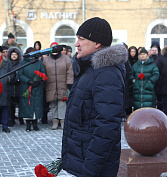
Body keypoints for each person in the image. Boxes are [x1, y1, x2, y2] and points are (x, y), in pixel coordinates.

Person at [62, 17, 128, 177]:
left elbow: (106, 127)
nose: (76, 44)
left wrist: (90, 170)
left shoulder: (107, 74)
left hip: (94, 167)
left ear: (97, 43)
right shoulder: (89, 69)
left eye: (81, 39)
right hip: (82, 160)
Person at [43, 43, 74, 130]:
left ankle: (63, 121)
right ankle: (55, 121)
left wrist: (69, 83)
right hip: (50, 85)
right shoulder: (46, 60)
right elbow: (43, 72)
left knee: (62, 104)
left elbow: (70, 72)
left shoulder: (65, 59)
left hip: (63, 85)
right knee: (53, 104)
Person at [18, 47, 46, 131]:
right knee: (27, 105)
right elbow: (20, 74)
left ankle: (35, 123)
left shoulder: (39, 63)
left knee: (36, 105)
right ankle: (28, 124)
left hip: (37, 87)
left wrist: (38, 80)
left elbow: (43, 73)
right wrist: (28, 81)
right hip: (26, 87)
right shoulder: (23, 63)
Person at [7, 47, 24, 126]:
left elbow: (22, 74)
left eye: (15, 54)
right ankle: (11, 120)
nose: (14, 56)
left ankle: (21, 120)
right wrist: (10, 79)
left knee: (21, 105)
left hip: (19, 87)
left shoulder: (21, 63)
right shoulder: (7, 64)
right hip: (10, 87)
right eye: (12, 54)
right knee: (10, 106)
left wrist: (17, 79)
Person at [0, 47, 15, 133]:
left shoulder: (7, 62)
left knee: (5, 107)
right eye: (3, 52)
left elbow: (13, 74)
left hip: (4, 88)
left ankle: (5, 125)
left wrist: (7, 79)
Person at [149, 45, 163, 111]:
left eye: (155, 50)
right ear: (150, 51)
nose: (154, 51)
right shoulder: (148, 59)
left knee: (160, 100)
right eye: (153, 50)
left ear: (158, 51)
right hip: (150, 81)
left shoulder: (160, 59)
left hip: (159, 82)